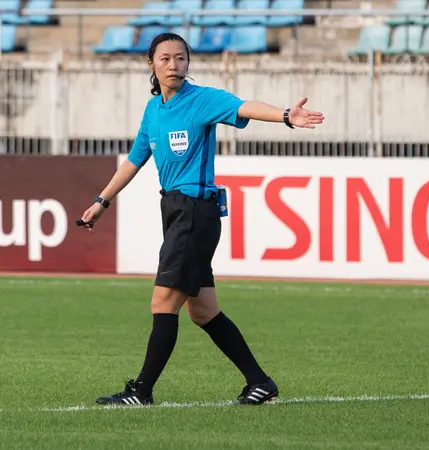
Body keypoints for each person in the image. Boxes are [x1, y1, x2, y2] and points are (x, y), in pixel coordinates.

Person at [79, 32, 324, 406]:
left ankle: (141, 392)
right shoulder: (154, 111)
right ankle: (260, 382)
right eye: (165, 59)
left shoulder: (202, 99)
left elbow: (245, 107)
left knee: (163, 301)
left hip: (196, 211)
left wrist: (286, 116)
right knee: (203, 310)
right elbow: (134, 160)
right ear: (151, 64)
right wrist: (102, 201)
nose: (174, 65)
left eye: (181, 58)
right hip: (176, 211)